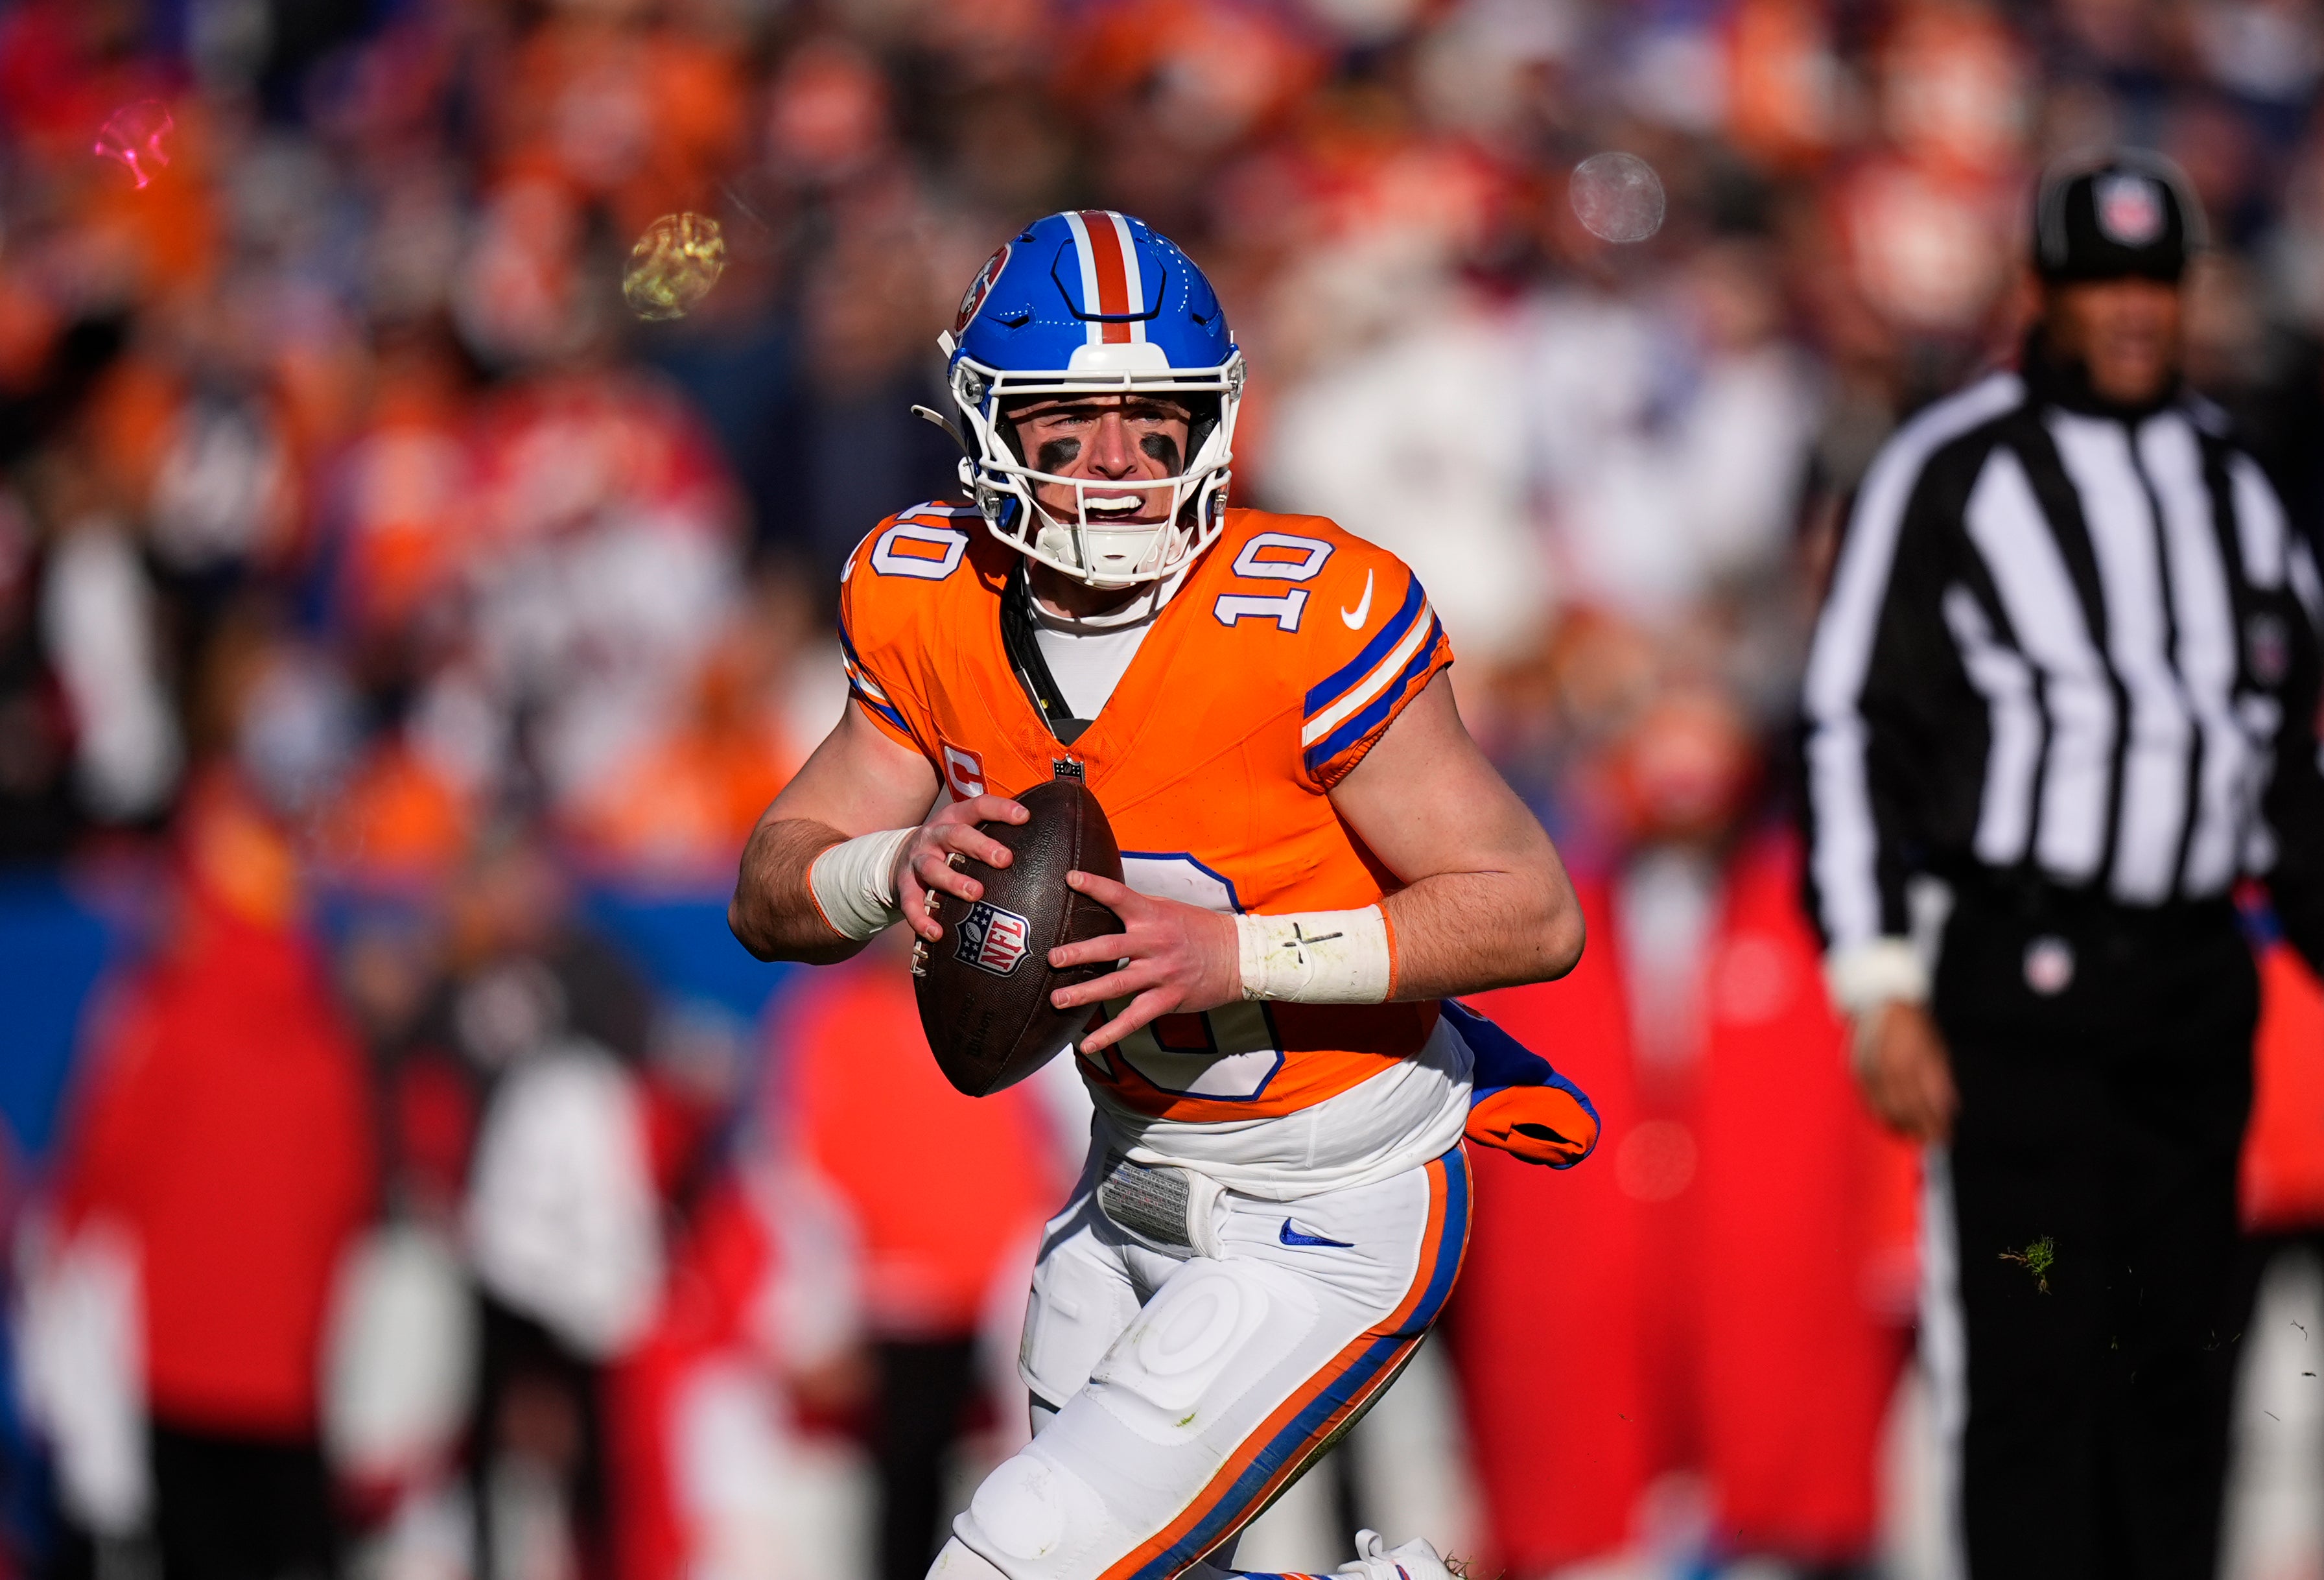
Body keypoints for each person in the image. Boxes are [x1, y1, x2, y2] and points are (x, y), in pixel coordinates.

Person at [729, 210, 1599, 1580]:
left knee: (1007, 1561)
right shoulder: (928, 596)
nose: (1123, 465)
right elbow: (770, 885)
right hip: (1122, 1186)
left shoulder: (1304, 614)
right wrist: (881, 867)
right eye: (1074, 425)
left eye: (1160, 420)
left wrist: (1239, 953)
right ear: (988, 426)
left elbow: (1528, 908)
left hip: (1332, 1196)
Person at [1800, 152, 2324, 1579]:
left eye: (2154, 280)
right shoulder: (1952, 467)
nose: (2132, 310)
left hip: (2193, 987)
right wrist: (1874, 973)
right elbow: (1852, 726)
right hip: (2020, 987)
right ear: (2041, 293)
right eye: (2100, 281)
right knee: (2032, 1361)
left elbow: (2285, 768)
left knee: (2178, 1370)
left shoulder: (2238, 483)